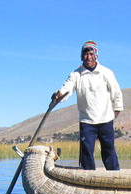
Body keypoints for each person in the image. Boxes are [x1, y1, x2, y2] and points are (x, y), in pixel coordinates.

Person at [52, 40, 123, 170]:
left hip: (105, 119)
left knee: (109, 150)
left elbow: (116, 93)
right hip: (87, 120)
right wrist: (58, 95)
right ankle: (87, 178)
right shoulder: (76, 74)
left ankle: (114, 176)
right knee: (86, 153)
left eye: (91, 54)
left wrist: (116, 110)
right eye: (85, 54)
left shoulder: (106, 72)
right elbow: (67, 88)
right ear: (81, 56)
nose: (88, 57)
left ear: (96, 55)